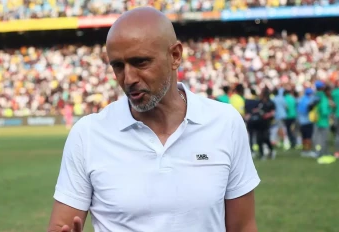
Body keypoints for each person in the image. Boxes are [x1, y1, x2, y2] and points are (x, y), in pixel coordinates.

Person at [47, 7, 260, 232]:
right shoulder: (88, 134)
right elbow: (61, 226)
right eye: (118, 66)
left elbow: (243, 226)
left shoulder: (225, 123)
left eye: (140, 62)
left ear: (175, 56)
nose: (128, 78)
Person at [253, 88, 276, 160]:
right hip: (259, 122)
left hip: (266, 123)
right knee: (259, 138)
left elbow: (273, 112)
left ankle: (271, 150)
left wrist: (267, 115)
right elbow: (256, 109)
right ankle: (261, 154)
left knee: (266, 138)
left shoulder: (270, 103)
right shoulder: (259, 102)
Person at [297, 88, 316, 158]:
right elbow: (308, 110)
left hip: (301, 122)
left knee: (304, 137)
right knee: (308, 137)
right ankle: (308, 151)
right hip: (308, 121)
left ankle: (304, 151)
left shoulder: (301, 99)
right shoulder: (309, 101)